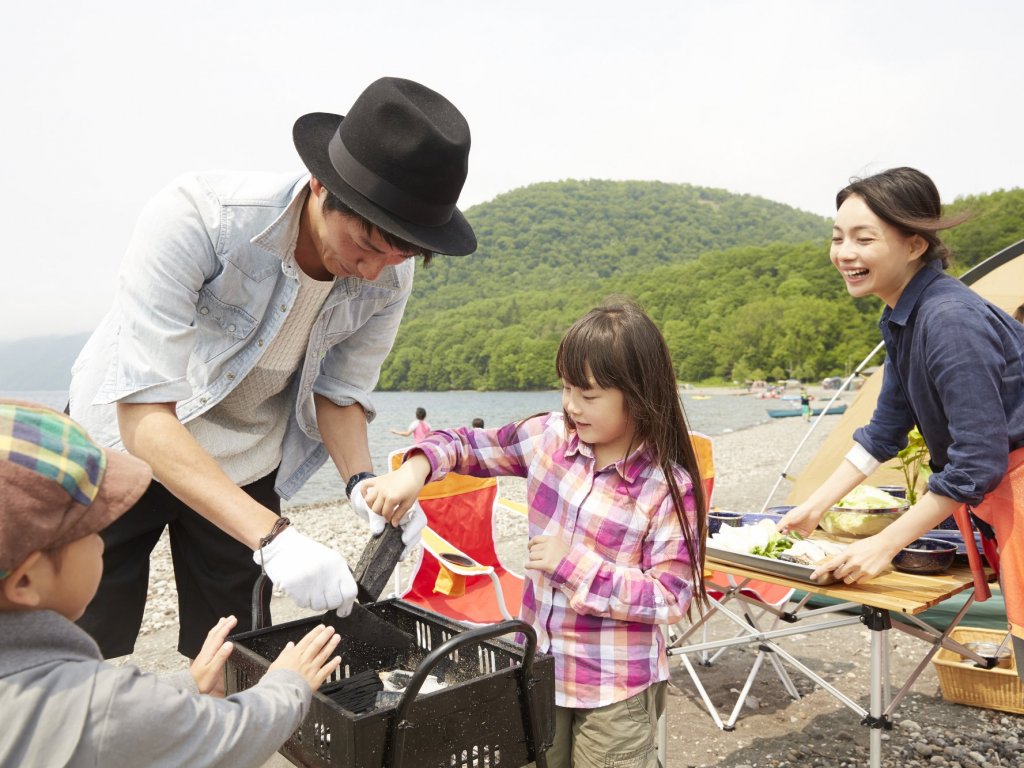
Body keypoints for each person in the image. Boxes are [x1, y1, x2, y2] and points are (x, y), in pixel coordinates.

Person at [68, 76, 471, 659]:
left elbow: (339, 392)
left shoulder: (388, 273)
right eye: (367, 243)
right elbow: (144, 413)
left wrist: (362, 484)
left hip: (245, 461)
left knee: (236, 655)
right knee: (85, 643)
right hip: (121, 446)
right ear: (320, 185)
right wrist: (276, 538)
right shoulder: (199, 219)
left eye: (402, 253)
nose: (377, 272)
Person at [358, 302, 708, 768]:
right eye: (566, 387)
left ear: (640, 394)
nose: (571, 405)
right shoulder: (547, 439)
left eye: (589, 394)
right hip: (537, 671)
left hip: (615, 689)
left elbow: (670, 598)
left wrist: (572, 565)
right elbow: (466, 444)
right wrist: (414, 471)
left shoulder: (667, 487)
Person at [778, 167, 1024, 678]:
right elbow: (884, 431)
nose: (844, 252)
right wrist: (812, 508)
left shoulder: (948, 319)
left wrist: (886, 544)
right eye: (837, 237)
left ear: (914, 245)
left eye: (864, 238)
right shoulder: (902, 316)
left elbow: (977, 461)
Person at [0, 400, 343, 767]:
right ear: (25, 581)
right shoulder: (98, 704)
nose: (103, 539)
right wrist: (289, 684)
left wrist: (185, 684)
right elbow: (229, 738)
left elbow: (121, 722)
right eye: (91, 527)